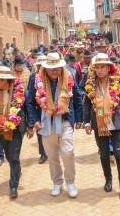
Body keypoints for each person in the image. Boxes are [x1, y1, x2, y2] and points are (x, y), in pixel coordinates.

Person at [27, 52, 83, 198]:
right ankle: (57, 182)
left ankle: (70, 182)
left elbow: (77, 97)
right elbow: (30, 102)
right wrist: (35, 121)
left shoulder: (68, 77)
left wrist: (78, 119)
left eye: (57, 68)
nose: (54, 71)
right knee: (52, 156)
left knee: (68, 152)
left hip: (65, 121)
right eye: (51, 68)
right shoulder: (35, 79)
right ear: (45, 68)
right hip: (46, 122)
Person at [84, 53, 120, 199]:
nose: (99, 70)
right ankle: (108, 180)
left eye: (102, 67)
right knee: (104, 155)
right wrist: (87, 122)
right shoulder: (90, 84)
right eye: (97, 67)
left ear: (109, 67)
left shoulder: (118, 81)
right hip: (99, 125)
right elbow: (86, 104)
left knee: (119, 154)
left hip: (116, 123)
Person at [0, 66, 27, 199]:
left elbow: (26, 108)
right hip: (0, 130)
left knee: (14, 156)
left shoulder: (18, 92)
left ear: (6, 81)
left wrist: (30, 126)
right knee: (9, 157)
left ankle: (13, 185)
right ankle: (17, 171)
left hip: (15, 130)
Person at [27, 55, 48, 164]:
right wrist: (33, 119)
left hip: (53, 109)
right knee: (40, 133)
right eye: (40, 65)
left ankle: (51, 152)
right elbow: (29, 97)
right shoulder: (33, 78)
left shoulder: (53, 75)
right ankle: (43, 154)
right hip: (39, 109)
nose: (42, 68)